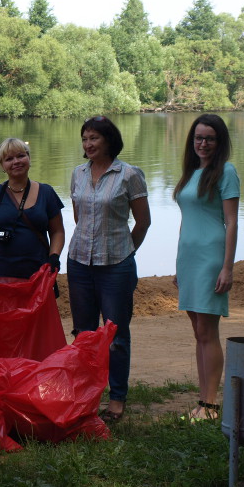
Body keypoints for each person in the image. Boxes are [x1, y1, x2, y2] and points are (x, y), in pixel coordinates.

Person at [67, 116, 151, 423]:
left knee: (116, 336)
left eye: (94, 139)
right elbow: (80, 218)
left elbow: (143, 222)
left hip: (116, 266)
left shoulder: (129, 174)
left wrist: (125, 251)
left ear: (109, 141)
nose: (88, 145)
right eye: (85, 139)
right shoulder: (77, 173)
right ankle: (85, 396)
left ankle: (117, 399)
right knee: (83, 334)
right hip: (78, 262)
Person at [173, 114, 240, 421]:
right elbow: (187, 221)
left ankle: (211, 406)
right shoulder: (192, 172)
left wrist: (227, 267)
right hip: (189, 259)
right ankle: (203, 401)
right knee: (197, 331)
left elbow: (232, 222)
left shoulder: (226, 171)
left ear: (219, 141)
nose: (203, 143)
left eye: (210, 138)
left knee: (207, 331)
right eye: (199, 138)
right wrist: (178, 265)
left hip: (212, 258)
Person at [0, 138, 65, 281]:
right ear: (2, 165)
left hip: (36, 274)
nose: (16, 162)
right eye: (9, 159)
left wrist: (54, 257)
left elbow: (57, 231)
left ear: (29, 158)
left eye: (21, 156)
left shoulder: (47, 192)